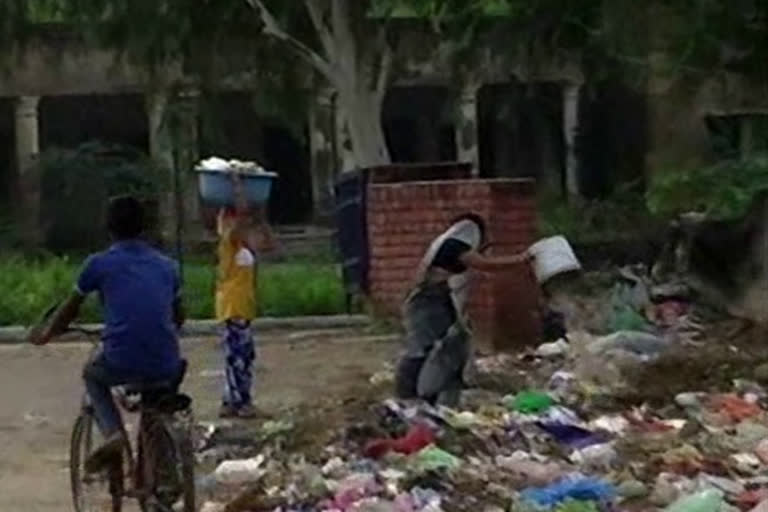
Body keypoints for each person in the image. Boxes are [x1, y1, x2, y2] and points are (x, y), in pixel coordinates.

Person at [28, 195, 184, 472]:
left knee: (93, 375)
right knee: (157, 400)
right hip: (166, 360)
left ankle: (113, 434)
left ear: (108, 228)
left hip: (121, 358)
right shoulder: (167, 266)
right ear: (144, 227)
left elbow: (69, 309)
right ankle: (165, 476)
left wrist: (48, 333)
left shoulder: (98, 264)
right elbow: (179, 316)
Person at [395, 213, 532, 407]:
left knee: (445, 348)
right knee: (424, 348)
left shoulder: (444, 246)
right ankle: (410, 394)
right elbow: (484, 264)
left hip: (436, 300)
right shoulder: (454, 246)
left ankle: (433, 394)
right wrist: (521, 259)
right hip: (428, 302)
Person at [215, 173, 275, 418]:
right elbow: (239, 220)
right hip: (232, 307)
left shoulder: (243, 249)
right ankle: (240, 402)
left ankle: (233, 400)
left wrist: (259, 217)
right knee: (238, 356)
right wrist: (239, 189)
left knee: (241, 355)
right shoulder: (228, 244)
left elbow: (269, 244)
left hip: (241, 307)